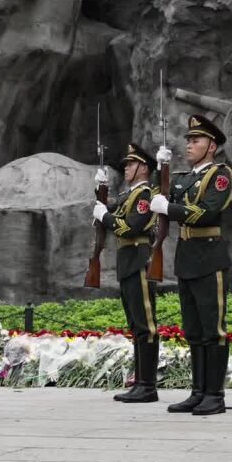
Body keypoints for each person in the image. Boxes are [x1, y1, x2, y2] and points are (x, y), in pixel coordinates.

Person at [149, 115, 232, 416]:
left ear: (211, 146)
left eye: (195, 140)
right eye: (188, 140)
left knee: (213, 330)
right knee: (194, 330)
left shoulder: (220, 175)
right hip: (186, 256)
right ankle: (197, 391)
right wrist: (161, 171)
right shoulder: (183, 178)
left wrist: (170, 208)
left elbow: (206, 212)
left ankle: (215, 394)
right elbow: (160, 199)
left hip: (209, 257)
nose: (189, 144)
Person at [93, 142, 160, 403]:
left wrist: (105, 216)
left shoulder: (144, 195)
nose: (126, 168)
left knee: (146, 325)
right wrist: (100, 193)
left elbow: (130, 227)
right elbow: (113, 209)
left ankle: (148, 386)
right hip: (127, 261)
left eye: (131, 164)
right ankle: (141, 382)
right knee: (136, 325)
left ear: (143, 168)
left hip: (139, 260)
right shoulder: (128, 195)